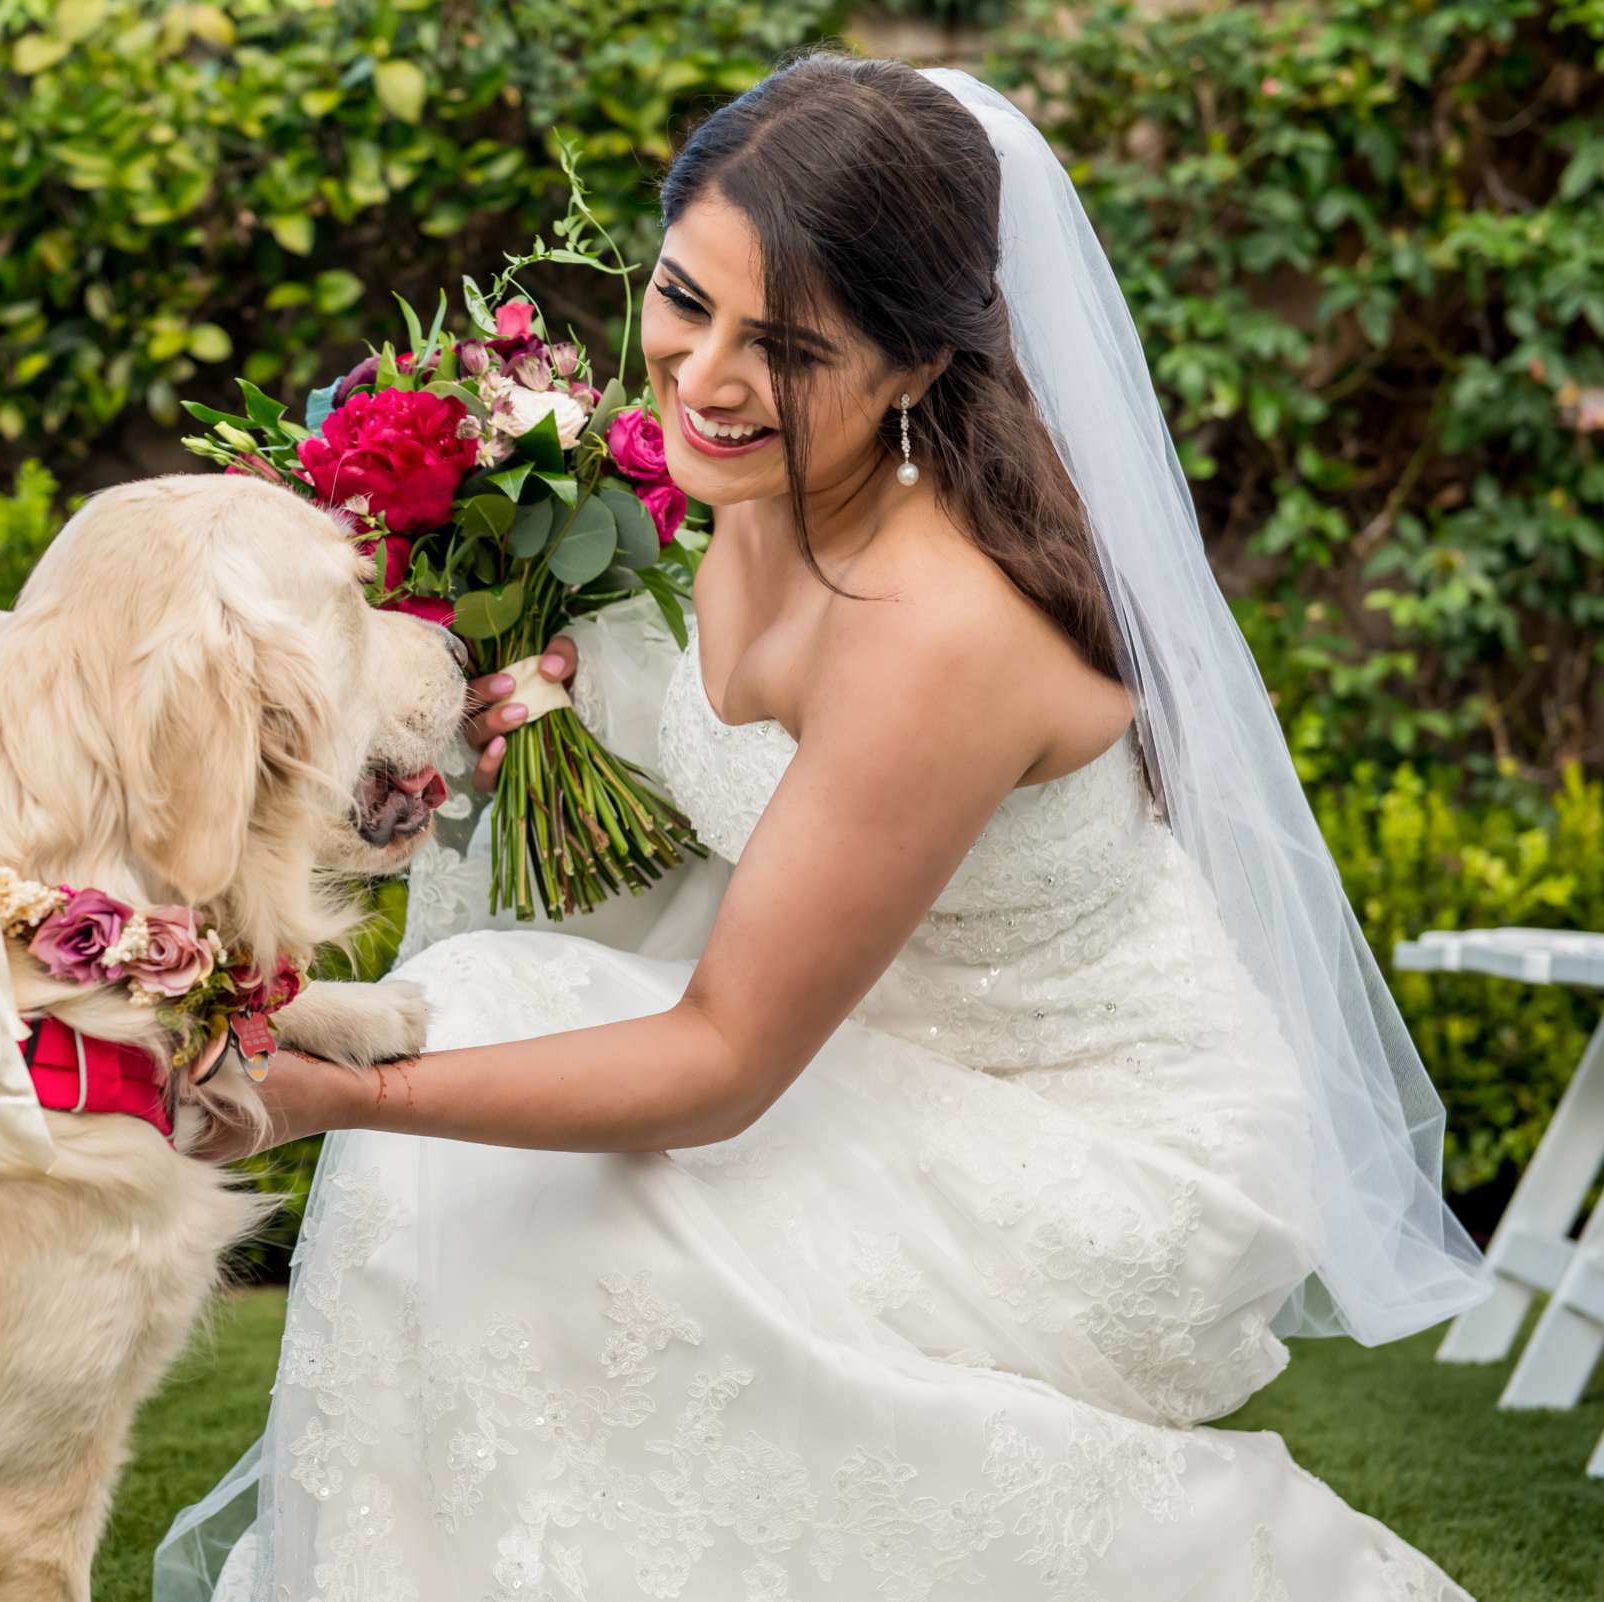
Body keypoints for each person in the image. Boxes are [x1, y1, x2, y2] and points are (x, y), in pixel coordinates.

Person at [158, 51, 1489, 1602]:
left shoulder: (941, 630)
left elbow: (721, 1062)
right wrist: (556, 691)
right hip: (860, 1054)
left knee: (482, 1053)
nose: (702, 377)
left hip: (1091, 1151)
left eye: (784, 344)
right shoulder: (730, 466)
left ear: (919, 366)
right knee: (499, 1076)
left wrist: (333, 1094)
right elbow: (694, 745)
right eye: (682, 298)